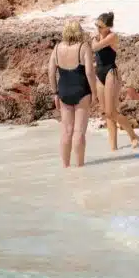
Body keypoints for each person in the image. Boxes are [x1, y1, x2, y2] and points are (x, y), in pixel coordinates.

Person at [48, 20, 97, 168]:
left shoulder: (57, 48)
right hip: (81, 90)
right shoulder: (84, 47)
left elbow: (50, 72)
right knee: (79, 131)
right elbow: (89, 72)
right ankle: (80, 167)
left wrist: (55, 92)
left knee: (66, 131)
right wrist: (94, 92)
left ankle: (65, 167)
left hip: (63, 91)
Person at [91, 11, 139, 151]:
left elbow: (95, 47)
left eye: (100, 26)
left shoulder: (112, 36)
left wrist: (94, 40)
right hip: (99, 74)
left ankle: (133, 135)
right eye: (96, 25)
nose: (97, 29)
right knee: (107, 113)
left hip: (111, 72)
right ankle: (113, 148)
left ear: (108, 27)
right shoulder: (97, 36)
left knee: (111, 111)